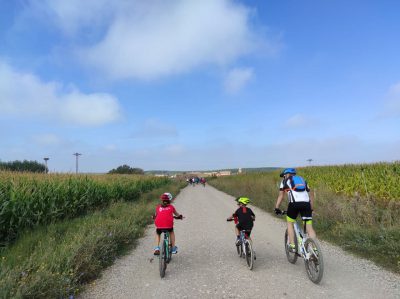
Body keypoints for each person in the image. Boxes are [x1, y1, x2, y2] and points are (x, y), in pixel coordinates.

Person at [274, 168, 316, 252]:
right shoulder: (302, 180)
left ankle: (292, 245)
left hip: (294, 204)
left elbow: (281, 196)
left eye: (283, 176)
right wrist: (311, 208)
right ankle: (315, 249)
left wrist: (277, 207)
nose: (283, 177)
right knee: (309, 227)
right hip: (306, 204)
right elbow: (311, 195)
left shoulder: (284, 182)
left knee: (290, 223)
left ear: (286, 175)